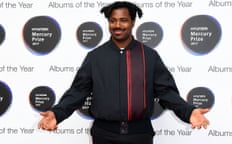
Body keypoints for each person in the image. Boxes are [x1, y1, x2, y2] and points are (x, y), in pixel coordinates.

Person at [38, 1, 210, 144]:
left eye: (123, 20)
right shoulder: (95, 57)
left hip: (140, 135)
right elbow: (78, 92)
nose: (117, 25)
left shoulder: (149, 55)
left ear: (133, 22)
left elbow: (166, 92)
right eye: (113, 21)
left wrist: (189, 112)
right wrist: (56, 114)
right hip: (104, 135)